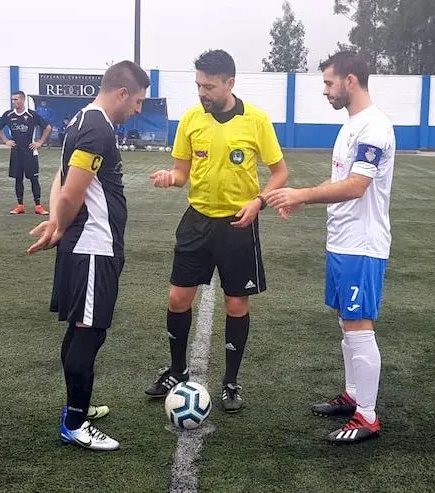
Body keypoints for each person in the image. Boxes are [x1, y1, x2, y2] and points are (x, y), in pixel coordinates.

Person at [144, 49, 289, 413]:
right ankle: (177, 371)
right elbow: (182, 172)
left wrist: (259, 202)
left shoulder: (256, 120)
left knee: (236, 303)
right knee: (178, 299)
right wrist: (170, 178)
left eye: (208, 86)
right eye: (198, 85)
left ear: (229, 83)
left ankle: (230, 383)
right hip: (197, 221)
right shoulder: (191, 119)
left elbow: (280, 173)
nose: (201, 92)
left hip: (239, 225)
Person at [265, 51, 394, 444]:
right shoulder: (352, 125)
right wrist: (305, 199)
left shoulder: (374, 127)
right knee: (345, 320)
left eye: (328, 83)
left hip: (362, 243)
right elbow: (341, 179)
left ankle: (368, 417)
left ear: (350, 80)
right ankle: (354, 396)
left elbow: (357, 186)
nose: (325, 91)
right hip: (341, 240)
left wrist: (302, 191)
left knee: (358, 324)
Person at [26, 60, 150, 452]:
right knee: (89, 332)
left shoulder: (81, 121)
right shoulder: (97, 127)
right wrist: (60, 225)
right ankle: (76, 424)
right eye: (138, 101)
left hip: (86, 245)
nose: (138, 110)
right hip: (93, 247)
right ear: (122, 93)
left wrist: (58, 223)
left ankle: (75, 408)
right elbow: (71, 191)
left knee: (81, 329)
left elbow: (61, 180)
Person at [0, 91, 52, 215]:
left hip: (30, 152)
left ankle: (38, 206)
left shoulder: (31, 115)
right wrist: (6, 140)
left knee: (34, 179)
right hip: (16, 152)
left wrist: (39, 142)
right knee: (18, 178)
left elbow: (48, 128)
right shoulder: (8, 115)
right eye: (12, 99)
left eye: (16, 99)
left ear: (22, 100)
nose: (14, 102)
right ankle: (20, 205)